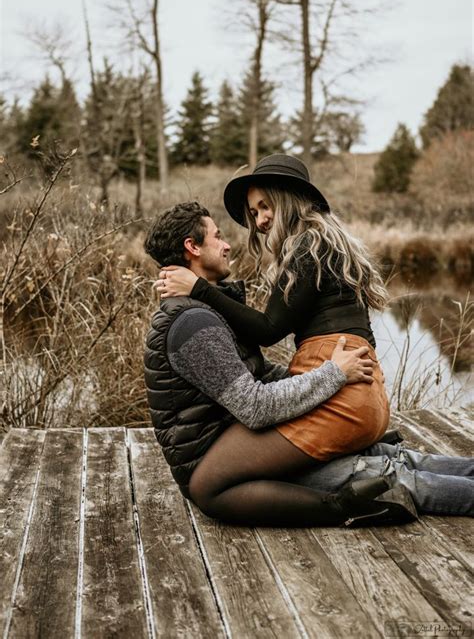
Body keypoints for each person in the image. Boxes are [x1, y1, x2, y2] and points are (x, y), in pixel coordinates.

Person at [145, 202, 474, 526]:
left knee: (378, 467)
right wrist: (331, 376)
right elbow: (253, 405)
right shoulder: (193, 323)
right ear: (193, 247)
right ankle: (353, 504)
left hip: (238, 450)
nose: (228, 244)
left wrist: (325, 384)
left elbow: (256, 375)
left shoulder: (203, 312)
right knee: (377, 470)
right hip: (221, 455)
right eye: (217, 236)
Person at [157, 154, 389, 464]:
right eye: (254, 212)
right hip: (362, 387)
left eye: (265, 207)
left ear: (290, 200)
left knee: (216, 476)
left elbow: (268, 329)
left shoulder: (308, 247)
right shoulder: (326, 243)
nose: (259, 220)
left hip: (343, 387)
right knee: (376, 468)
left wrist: (200, 290)